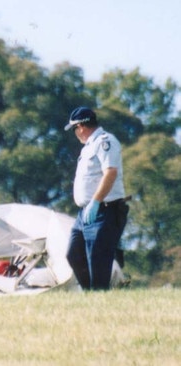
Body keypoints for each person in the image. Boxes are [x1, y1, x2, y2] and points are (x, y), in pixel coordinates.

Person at [64, 107, 129, 290]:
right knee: (74, 254)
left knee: (98, 260)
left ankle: (99, 297)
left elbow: (110, 173)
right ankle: (90, 293)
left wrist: (96, 201)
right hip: (85, 212)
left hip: (105, 210)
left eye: (75, 129)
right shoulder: (88, 148)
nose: (76, 133)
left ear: (81, 126)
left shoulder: (105, 141)